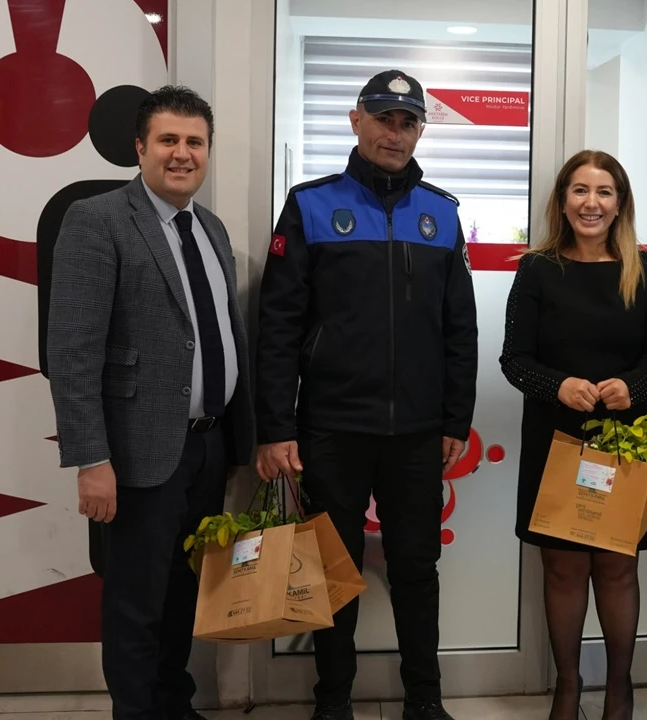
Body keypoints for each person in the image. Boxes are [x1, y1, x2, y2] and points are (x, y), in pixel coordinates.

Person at [254, 69, 478, 720]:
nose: (395, 133)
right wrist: (276, 427)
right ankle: (333, 701)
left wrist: (454, 419)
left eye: (408, 122)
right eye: (383, 119)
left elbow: (459, 328)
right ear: (357, 121)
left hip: (416, 433)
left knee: (416, 570)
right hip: (332, 428)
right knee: (333, 569)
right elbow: (278, 326)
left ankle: (424, 700)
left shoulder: (441, 213)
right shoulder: (311, 206)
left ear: (419, 132)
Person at [46, 85, 254, 720]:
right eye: (168, 140)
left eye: (195, 142)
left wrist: (239, 442)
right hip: (138, 454)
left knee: (183, 593)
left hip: (208, 448)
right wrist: (91, 460)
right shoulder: (98, 220)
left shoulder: (210, 228)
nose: (182, 153)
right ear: (140, 148)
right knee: (136, 602)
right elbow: (73, 352)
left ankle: (173, 705)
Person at [500, 150, 647, 720]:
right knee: (563, 567)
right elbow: (514, 359)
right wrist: (558, 385)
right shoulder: (536, 269)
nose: (591, 203)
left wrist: (633, 385)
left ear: (620, 203)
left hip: (624, 438)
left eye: (604, 192)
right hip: (556, 437)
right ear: (562, 200)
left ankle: (620, 689)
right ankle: (568, 688)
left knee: (617, 568)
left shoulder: (646, 269)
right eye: (580, 190)